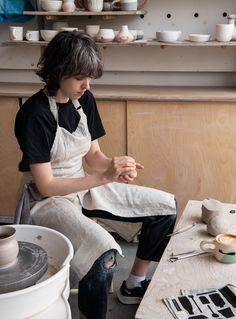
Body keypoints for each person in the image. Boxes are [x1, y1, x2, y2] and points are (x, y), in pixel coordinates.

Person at [14, 31, 177, 319]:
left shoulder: (83, 100)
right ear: (59, 70)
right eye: (80, 77)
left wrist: (116, 166)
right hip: (47, 199)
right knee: (104, 254)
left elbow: (94, 157)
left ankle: (133, 285)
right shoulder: (34, 113)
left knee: (165, 206)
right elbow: (47, 185)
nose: (87, 85)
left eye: (90, 77)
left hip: (83, 182)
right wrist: (105, 177)